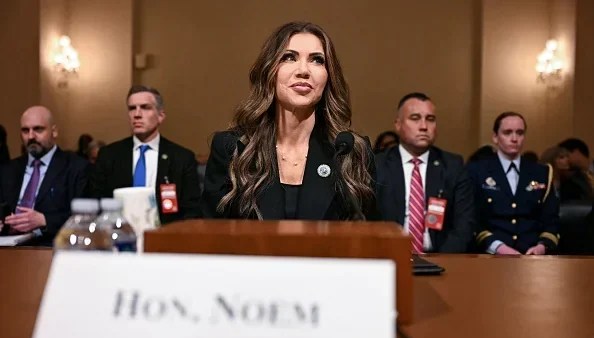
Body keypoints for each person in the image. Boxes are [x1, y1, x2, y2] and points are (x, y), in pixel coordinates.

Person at [199, 21, 376, 220]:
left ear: (329, 76)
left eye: (317, 60)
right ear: (269, 71)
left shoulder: (351, 151)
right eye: (289, 57)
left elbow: (371, 236)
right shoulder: (232, 149)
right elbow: (212, 236)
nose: (303, 70)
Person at [375, 92, 475, 253]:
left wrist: (442, 263)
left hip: (441, 260)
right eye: (415, 118)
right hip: (389, 257)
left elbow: (464, 225)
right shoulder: (377, 165)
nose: (423, 126)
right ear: (398, 125)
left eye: (430, 119)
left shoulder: (453, 166)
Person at [90, 85, 201, 224]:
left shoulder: (182, 158)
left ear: (160, 116)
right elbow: (96, 202)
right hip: (119, 235)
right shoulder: (109, 155)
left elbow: (191, 211)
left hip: (165, 237)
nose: (137, 114)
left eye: (145, 107)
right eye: (132, 108)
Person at [468, 112, 559, 255]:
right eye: (507, 133)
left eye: (520, 133)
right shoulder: (477, 171)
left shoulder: (542, 172)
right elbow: (472, 219)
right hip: (491, 256)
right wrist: (497, 247)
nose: (514, 138)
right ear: (495, 137)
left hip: (533, 257)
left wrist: (542, 246)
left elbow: (551, 220)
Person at [0, 106, 90, 246]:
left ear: (54, 131)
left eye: (38, 129)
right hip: (8, 249)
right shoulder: (8, 170)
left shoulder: (76, 167)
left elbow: (84, 217)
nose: (31, 136)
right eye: (25, 130)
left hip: (51, 248)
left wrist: (44, 220)